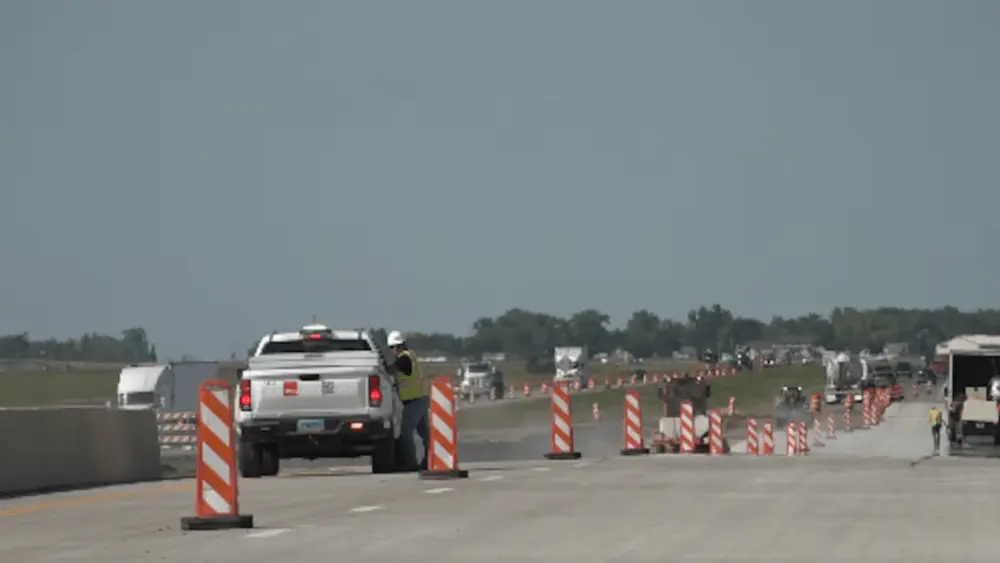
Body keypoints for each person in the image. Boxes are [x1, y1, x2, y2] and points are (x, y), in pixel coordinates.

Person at [386, 330, 429, 471]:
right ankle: (429, 460)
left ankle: (412, 463)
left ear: (397, 347)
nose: (391, 351)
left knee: (406, 433)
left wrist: (381, 369)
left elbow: (391, 370)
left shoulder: (404, 359)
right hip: (421, 399)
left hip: (414, 402)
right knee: (425, 434)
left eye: (392, 348)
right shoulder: (410, 356)